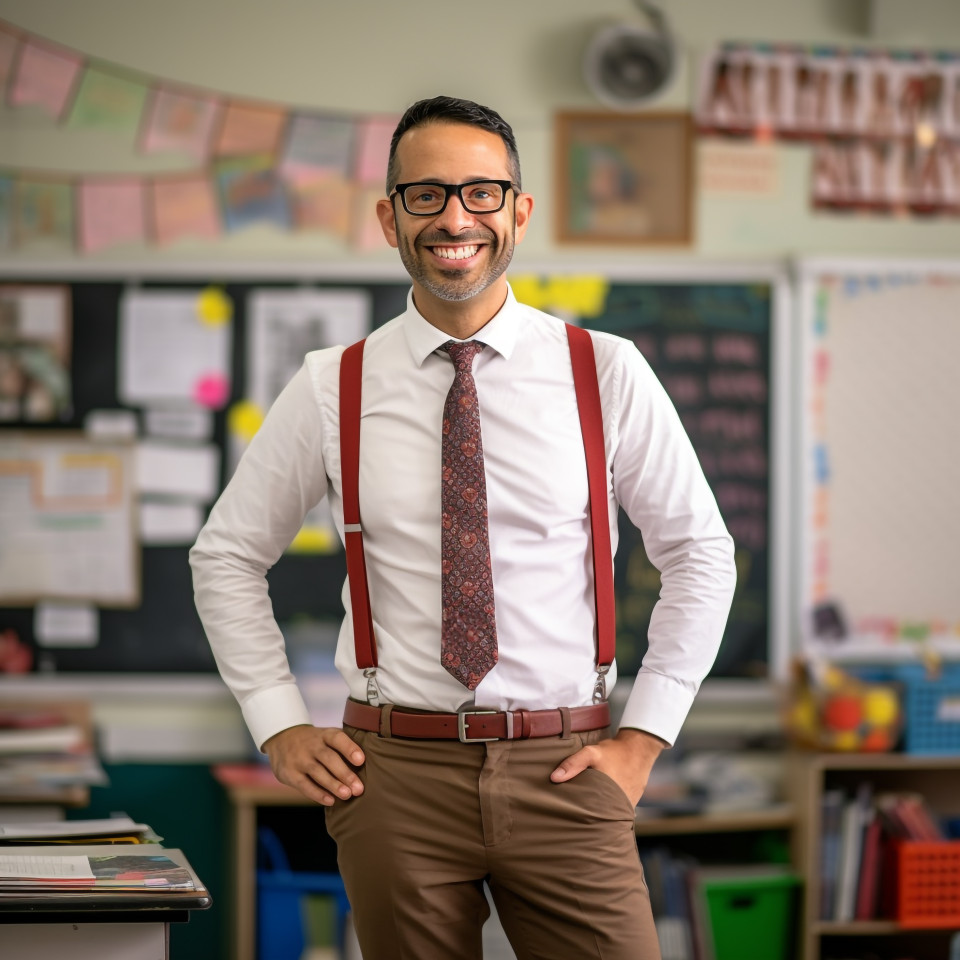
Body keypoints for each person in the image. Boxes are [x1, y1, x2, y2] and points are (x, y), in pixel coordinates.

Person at [190, 95, 736, 960]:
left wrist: (644, 737)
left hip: (570, 764)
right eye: (427, 194)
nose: (455, 217)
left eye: (483, 192)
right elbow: (224, 555)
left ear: (519, 211)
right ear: (388, 217)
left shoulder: (605, 371)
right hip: (394, 775)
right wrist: (278, 720)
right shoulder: (333, 384)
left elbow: (700, 553)